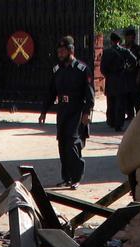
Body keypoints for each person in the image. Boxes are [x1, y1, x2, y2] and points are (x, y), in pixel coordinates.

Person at [38, 36, 94, 190]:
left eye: (62, 51)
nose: (60, 54)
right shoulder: (57, 70)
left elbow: (90, 93)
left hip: (77, 110)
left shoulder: (82, 69)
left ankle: (76, 177)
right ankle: (67, 177)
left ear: (70, 51)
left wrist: (87, 112)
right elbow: (51, 92)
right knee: (62, 143)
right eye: (59, 51)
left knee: (72, 143)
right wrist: (44, 111)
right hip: (63, 110)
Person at [100, 32, 134, 131]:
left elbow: (102, 68)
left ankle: (111, 121)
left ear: (111, 41)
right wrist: (127, 70)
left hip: (110, 80)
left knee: (111, 102)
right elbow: (134, 61)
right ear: (119, 41)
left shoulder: (106, 52)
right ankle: (119, 124)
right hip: (121, 79)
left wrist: (108, 75)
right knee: (120, 103)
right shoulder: (125, 51)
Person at [122, 27, 140, 119]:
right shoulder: (123, 49)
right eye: (126, 37)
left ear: (133, 38)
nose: (127, 39)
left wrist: (139, 75)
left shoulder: (137, 49)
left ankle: (139, 115)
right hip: (126, 76)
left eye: (129, 37)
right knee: (127, 96)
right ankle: (130, 114)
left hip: (134, 75)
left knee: (136, 96)